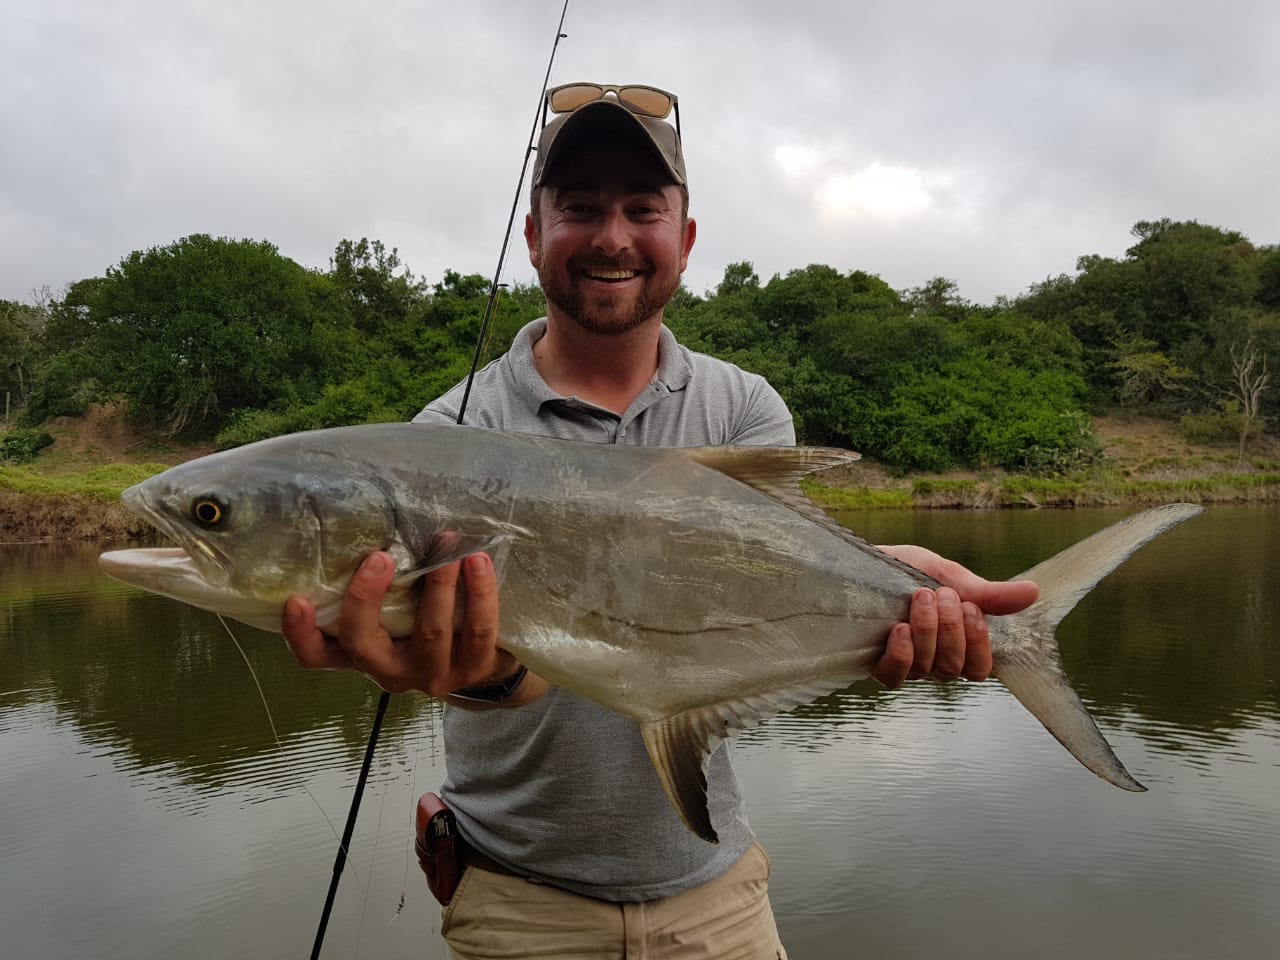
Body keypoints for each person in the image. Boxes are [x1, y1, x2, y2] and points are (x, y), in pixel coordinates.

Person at [282, 82, 1039, 959]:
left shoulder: (743, 408)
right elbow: (505, 675)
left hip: (714, 893)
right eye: (580, 207)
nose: (611, 236)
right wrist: (488, 675)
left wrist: (892, 594)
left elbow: (766, 590)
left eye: (642, 208)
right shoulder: (445, 438)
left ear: (683, 240)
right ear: (534, 236)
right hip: (516, 904)